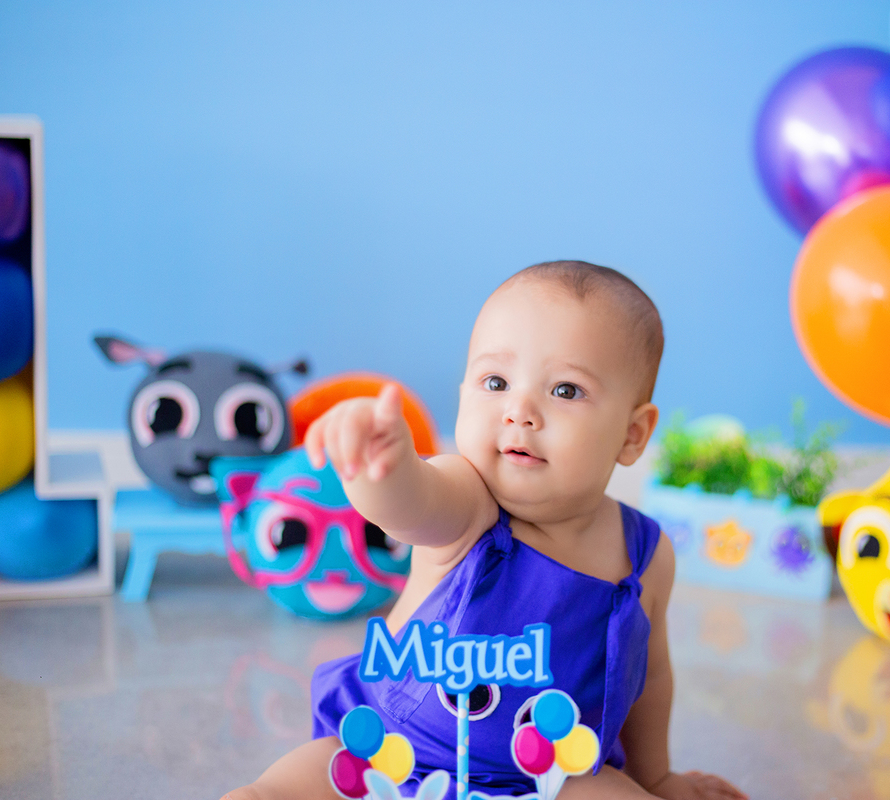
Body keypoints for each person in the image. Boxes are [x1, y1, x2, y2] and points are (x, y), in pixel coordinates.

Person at [222, 261, 746, 800]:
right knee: (289, 785)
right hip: (390, 754)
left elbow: (649, 679)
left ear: (632, 435)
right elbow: (408, 504)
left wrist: (655, 777)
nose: (520, 411)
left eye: (566, 390)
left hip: (552, 777)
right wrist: (379, 466)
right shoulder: (467, 501)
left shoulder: (645, 555)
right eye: (495, 382)